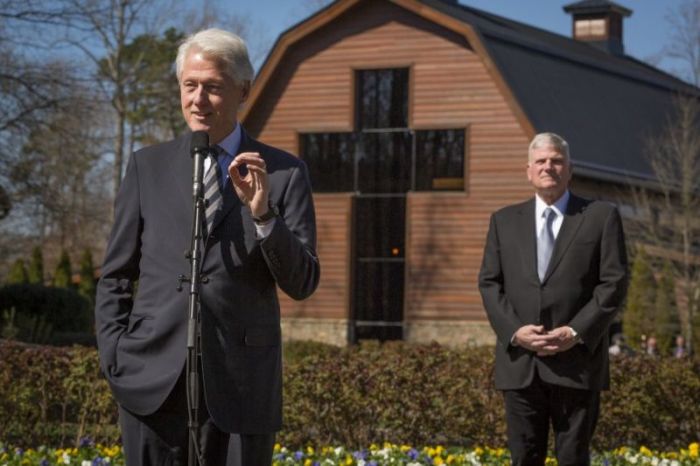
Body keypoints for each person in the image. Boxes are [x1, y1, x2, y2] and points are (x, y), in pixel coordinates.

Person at [95, 28, 320, 466]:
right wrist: (116, 358)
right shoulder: (147, 166)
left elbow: (304, 282)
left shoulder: (284, 173)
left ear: (243, 91)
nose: (198, 99)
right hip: (150, 383)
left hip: (242, 388)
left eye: (213, 87)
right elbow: (116, 275)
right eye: (189, 85)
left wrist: (263, 216)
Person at [478, 132, 628, 466]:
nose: (549, 167)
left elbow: (614, 283)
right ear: (528, 170)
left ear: (569, 169)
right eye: (541, 161)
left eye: (557, 160)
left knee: (573, 457)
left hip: (576, 364)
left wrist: (574, 332)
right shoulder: (503, 221)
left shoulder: (601, 217)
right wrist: (515, 331)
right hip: (520, 365)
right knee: (524, 457)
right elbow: (489, 283)